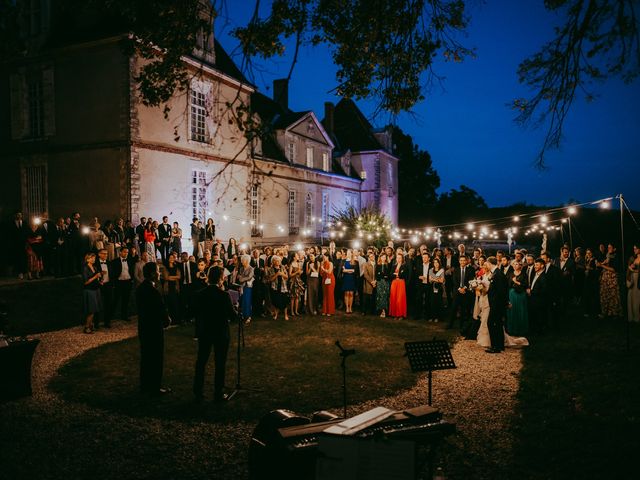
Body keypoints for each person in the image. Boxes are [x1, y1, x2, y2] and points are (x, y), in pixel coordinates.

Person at [193, 266, 235, 403]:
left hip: (205, 331)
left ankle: (197, 391)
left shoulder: (200, 294)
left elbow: (194, 312)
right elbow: (232, 316)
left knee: (201, 362)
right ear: (220, 278)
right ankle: (218, 392)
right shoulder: (224, 295)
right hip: (220, 332)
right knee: (220, 363)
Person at [136, 262, 171, 395]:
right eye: (157, 271)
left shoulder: (140, 289)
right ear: (152, 273)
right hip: (154, 329)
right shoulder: (153, 291)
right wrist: (166, 320)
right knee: (156, 358)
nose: (159, 273)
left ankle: (145, 385)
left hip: (143, 328)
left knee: (146, 358)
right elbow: (159, 309)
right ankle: (155, 387)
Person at [486, 256, 508, 353]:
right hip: (495, 304)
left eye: (487, 263)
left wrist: (497, 305)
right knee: (498, 324)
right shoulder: (496, 273)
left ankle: (495, 346)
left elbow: (501, 291)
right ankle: (499, 345)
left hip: (496, 304)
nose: (486, 265)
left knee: (491, 323)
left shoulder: (498, 274)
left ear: (490, 263)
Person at [449, 255, 475, 334]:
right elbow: (454, 280)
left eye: (464, 260)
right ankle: (450, 324)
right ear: (459, 261)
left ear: (467, 261)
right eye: (461, 260)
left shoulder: (471, 270)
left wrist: (464, 288)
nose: (462, 262)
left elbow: (471, 280)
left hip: (466, 292)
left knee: (464, 309)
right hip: (457, 291)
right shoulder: (456, 270)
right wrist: (459, 289)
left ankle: (461, 325)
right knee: (454, 308)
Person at [110, 246, 135, 322]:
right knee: (116, 299)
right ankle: (111, 317)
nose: (126, 253)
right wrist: (114, 282)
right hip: (119, 283)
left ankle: (124, 315)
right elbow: (112, 273)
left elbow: (132, 270)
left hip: (127, 282)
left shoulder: (130, 260)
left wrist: (131, 280)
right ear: (120, 252)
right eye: (124, 252)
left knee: (126, 300)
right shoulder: (115, 261)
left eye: (127, 252)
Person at [598, 244, 623, 318]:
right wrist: (600, 264)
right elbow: (604, 263)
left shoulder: (616, 257)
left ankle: (615, 313)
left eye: (610, 247)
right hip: (606, 278)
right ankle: (606, 312)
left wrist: (602, 265)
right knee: (604, 294)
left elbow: (613, 269)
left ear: (614, 249)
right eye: (608, 247)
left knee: (613, 295)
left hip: (612, 278)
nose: (608, 248)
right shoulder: (608, 255)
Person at [506, 261, 529, 336]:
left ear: (521, 266)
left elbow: (525, 285)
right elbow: (508, 284)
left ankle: (521, 330)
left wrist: (516, 281)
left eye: (519, 264)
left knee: (521, 311)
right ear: (513, 265)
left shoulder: (524, 274)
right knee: (512, 311)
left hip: (521, 295)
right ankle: (512, 330)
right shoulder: (510, 274)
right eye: (515, 264)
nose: (517, 265)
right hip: (512, 294)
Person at [82, 252, 102, 334]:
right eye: (92, 258)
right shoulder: (85, 268)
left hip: (96, 289)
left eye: (94, 258)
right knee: (91, 310)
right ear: (87, 259)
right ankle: (86, 327)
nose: (94, 259)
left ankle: (90, 325)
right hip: (89, 291)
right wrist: (96, 277)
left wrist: (100, 281)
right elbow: (86, 282)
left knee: (94, 309)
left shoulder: (94, 267)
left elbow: (97, 278)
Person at [472, 266, 491, 347]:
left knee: (486, 318)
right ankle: (483, 338)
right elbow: (480, 288)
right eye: (484, 268)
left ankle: (487, 339)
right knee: (483, 317)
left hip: (488, 299)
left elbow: (488, 289)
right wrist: (476, 287)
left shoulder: (490, 277)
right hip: (482, 298)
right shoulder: (483, 276)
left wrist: (482, 287)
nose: (485, 269)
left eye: (486, 268)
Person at [266, 256, 289, 320]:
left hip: (283, 286)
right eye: (276, 261)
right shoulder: (271, 269)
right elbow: (270, 279)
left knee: (284, 301)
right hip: (275, 287)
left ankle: (286, 315)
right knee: (276, 301)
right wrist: (277, 274)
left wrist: (281, 273)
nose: (277, 262)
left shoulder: (283, 267)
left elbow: (287, 276)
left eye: (278, 261)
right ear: (273, 262)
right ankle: (276, 315)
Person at [162, 252, 182, 325]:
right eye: (170, 258)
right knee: (169, 305)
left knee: (175, 304)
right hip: (168, 288)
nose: (171, 259)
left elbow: (179, 276)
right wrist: (175, 277)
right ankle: (170, 320)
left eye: (172, 257)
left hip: (175, 287)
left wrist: (171, 277)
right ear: (168, 259)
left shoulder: (176, 267)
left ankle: (176, 320)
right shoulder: (165, 267)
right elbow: (166, 278)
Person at [235, 254, 255, 323]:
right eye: (241, 261)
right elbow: (239, 275)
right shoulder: (241, 268)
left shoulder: (251, 268)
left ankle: (248, 316)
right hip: (241, 286)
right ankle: (243, 315)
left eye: (243, 261)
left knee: (247, 301)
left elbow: (249, 277)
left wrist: (241, 279)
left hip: (248, 287)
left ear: (247, 261)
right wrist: (238, 277)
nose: (242, 262)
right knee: (242, 301)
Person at [389, 252, 409, 319]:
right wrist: (396, 274)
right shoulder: (394, 266)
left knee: (400, 299)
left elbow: (404, 275)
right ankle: (395, 314)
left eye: (400, 258)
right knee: (394, 298)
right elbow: (391, 275)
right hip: (394, 283)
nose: (398, 259)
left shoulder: (405, 266)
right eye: (397, 258)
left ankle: (400, 314)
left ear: (402, 259)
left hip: (401, 283)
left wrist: (397, 274)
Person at [428, 257, 445, 322]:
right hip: (431, 288)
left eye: (437, 262)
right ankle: (432, 316)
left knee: (438, 302)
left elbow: (441, 281)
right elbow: (429, 280)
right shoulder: (431, 270)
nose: (436, 264)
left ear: (439, 263)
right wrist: (437, 279)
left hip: (439, 288)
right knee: (432, 302)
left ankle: (437, 317)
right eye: (434, 262)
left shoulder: (441, 270)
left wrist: (433, 278)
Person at [288, 252, 304, 316]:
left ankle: (296, 311)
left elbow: (299, 273)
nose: (298, 256)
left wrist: (300, 272)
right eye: (297, 255)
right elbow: (290, 275)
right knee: (292, 297)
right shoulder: (291, 264)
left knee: (297, 297)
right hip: (293, 281)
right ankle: (292, 311)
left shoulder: (298, 264)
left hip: (298, 281)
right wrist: (297, 272)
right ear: (294, 257)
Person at [375, 252, 392, 317]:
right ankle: (380, 310)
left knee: (384, 296)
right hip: (379, 282)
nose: (383, 258)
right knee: (379, 296)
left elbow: (388, 274)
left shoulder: (388, 265)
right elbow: (377, 274)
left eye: (385, 257)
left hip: (385, 282)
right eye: (382, 257)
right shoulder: (378, 265)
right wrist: (382, 275)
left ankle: (384, 311)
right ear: (380, 257)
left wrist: (383, 275)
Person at [342, 249, 357, 314]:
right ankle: (347, 308)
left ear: (351, 254)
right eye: (347, 253)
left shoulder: (354, 261)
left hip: (352, 279)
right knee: (346, 293)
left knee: (351, 293)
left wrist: (347, 270)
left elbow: (355, 271)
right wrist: (350, 270)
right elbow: (343, 271)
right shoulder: (344, 261)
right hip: (346, 278)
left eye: (349, 253)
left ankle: (350, 307)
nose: (348, 254)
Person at [626, 253, 640, 322]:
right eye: (634, 249)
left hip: (638, 278)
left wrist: (634, 270)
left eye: (636, 248)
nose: (635, 250)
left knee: (637, 298)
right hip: (633, 278)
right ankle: (632, 317)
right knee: (632, 298)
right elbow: (629, 267)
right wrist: (630, 267)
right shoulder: (632, 258)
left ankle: (637, 317)